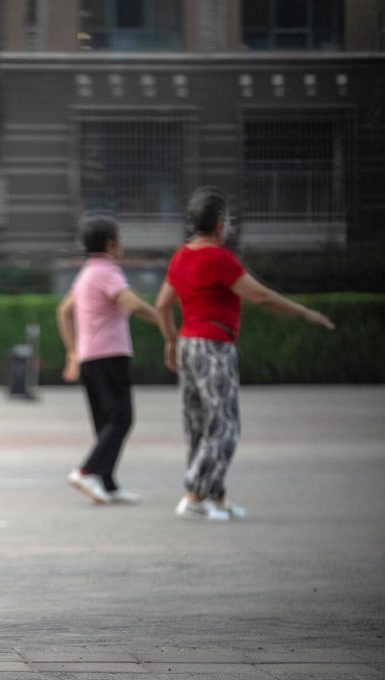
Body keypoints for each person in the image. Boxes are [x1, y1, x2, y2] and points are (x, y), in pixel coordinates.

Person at [155, 187, 335, 521]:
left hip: (188, 345)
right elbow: (262, 297)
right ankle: (194, 496)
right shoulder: (220, 260)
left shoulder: (182, 256)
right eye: (228, 220)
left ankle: (216, 498)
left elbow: (162, 305)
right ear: (220, 223)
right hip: (214, 346)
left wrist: (169, 342)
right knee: (224, 426)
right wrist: (305, 313)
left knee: (199, 425)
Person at [57, 214, 158, 505]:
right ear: (111, 244)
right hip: (110, 354)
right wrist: (162, 321)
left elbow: (63, 311)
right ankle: (86, 471)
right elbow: (132, 303)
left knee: (106, 422)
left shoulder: (87, 273)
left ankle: (108, 483)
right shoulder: (108, 272)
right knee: (121, 417)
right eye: (120, 240)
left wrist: (72, 351)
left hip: (90, 357)